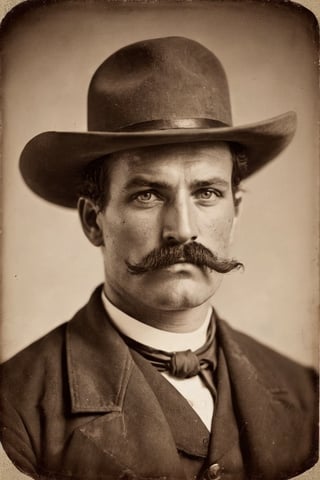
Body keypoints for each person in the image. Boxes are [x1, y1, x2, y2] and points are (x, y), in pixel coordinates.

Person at [0, 36, 317, 480]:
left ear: (236, 210)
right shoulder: (13, 409)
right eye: (147, 195)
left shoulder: (307, 393)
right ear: (94, 220)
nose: (183, 229)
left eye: (207, 193)